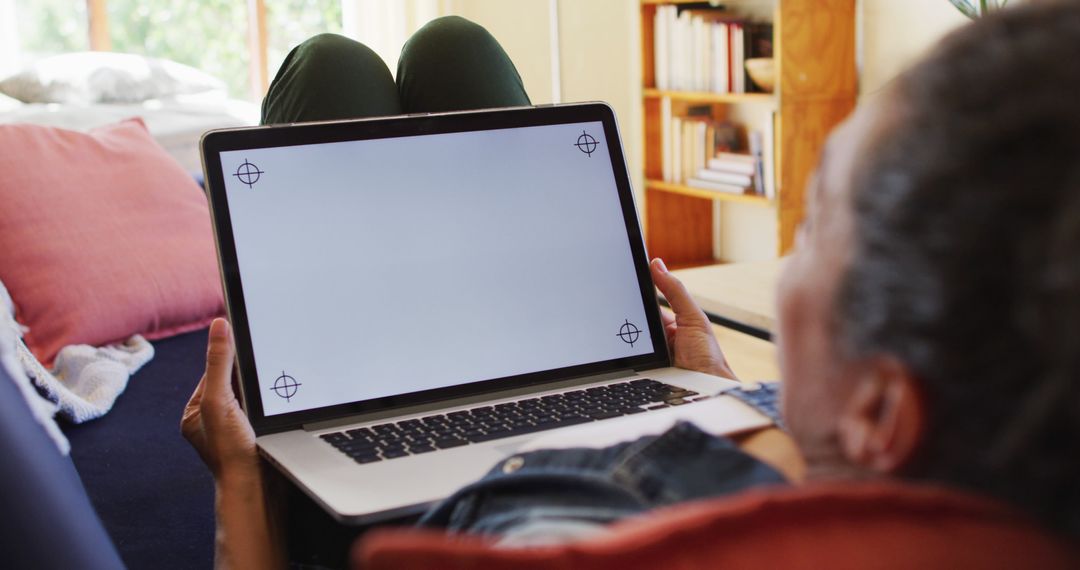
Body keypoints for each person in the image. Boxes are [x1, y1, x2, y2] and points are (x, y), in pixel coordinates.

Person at [183, 6, 1080, 568]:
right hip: (705, 418)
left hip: (378, 510)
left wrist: (238, 482)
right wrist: (731, 399)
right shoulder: (818, 426)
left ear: (882, 414)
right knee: (455, 47)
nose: (792, 259)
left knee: (335, 68)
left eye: (811, 229)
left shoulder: (559, 540)